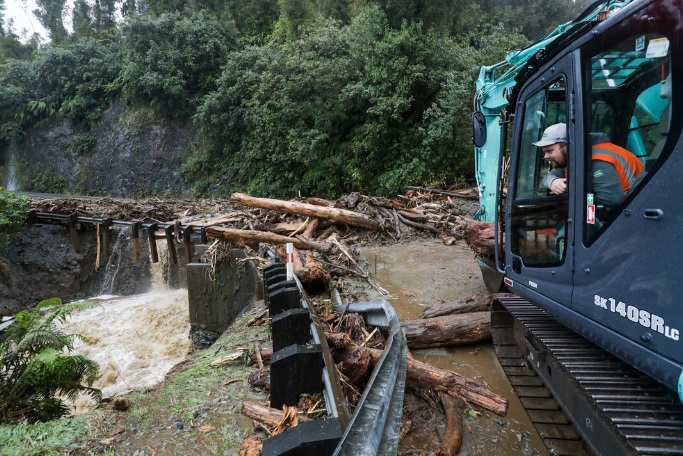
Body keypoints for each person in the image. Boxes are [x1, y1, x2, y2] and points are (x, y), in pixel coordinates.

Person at [533, 123, 644, 212]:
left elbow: (611, 200)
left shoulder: (597, 159)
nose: (546, 157)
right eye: (544, 152)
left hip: (634, 209)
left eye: (549, 151)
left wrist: (572, 196)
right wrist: (553, 181)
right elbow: (549, 176)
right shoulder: (576, 155)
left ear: (566, 146)